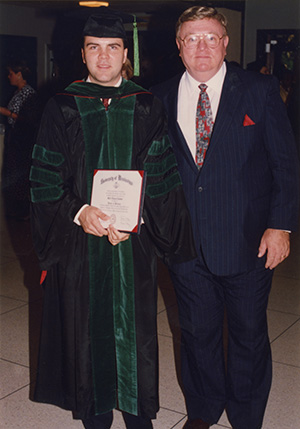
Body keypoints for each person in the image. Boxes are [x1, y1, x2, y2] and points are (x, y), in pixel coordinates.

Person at [30, 8, 196, 429]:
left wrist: (140, 222)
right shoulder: (61, 107)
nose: (103, 58)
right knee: (87, 333)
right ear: (82, 54)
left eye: (113, 48)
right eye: (94, 48)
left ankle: (139, 416)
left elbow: (160, 177)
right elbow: (45, 179)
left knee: (135, 331)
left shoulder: (146, 106)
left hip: (132, 243)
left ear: (126, 54)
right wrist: (79, 211)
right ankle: (96, 416)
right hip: (78, 244)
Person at [151, 6, 299, 429]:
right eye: (192, 38)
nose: (202, 46)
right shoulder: (156, 98)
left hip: (249, 239)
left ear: (225, 43)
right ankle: (202, 409)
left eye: (211, 37)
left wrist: (281, 226)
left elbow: (285, 164)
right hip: (184, 244)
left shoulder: (259, 90)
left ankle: (247, 414)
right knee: (196, 334)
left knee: (249, 335)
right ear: (179, 46)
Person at [0, 60, 38, 219]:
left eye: (11, 74)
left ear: (19, 75)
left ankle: (24, 212)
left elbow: (27, 119)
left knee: (20, 173)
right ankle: (17, 210)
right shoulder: (18, 92)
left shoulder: (28, 93)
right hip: (14, 136)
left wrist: (5, 112)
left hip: (23, 138)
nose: (8, 77)